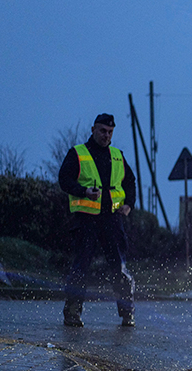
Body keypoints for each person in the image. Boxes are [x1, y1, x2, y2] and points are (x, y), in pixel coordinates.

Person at [58, 113, 137, 327]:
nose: (106, 135)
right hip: (86, 220)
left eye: (110, 132)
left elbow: (130, 181)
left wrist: (129, 204)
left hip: (112, 220)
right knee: (80, 267)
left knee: (119, 269)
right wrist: (83, 191)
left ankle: (127, 313)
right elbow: (64, 180)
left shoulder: (117, 155)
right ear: (93, 129)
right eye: (102, 131)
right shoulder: (78, 153)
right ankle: (73, 313)